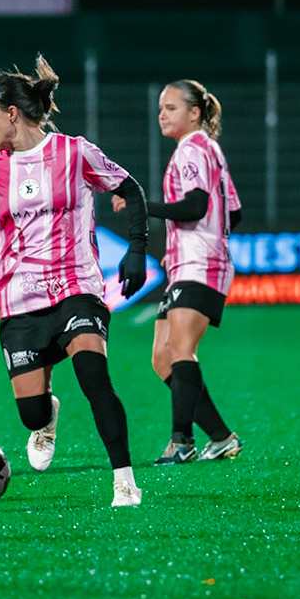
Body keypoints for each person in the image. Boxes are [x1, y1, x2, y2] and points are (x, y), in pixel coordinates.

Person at [0, 56, 151, 506]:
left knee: (93, 375)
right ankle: (47, 418)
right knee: (31, 412)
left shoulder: (74, 153)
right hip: (20, 302)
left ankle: (125, 482)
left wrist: (137, 249)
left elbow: (130, 189)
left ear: (12, 114)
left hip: (76, 287)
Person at [120, 79, 243, 464]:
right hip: (190, 262)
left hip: (199, 264)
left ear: (195, 113)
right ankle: (221, 437)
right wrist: (186, 244)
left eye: (171, 107)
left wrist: (141, 204)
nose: (162, 114)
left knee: (181, 350)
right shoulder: (207, 150)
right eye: (161, 107)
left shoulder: (193, 149)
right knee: (162, 356)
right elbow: (233, 212)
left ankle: (181, 442)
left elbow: (195, 206)